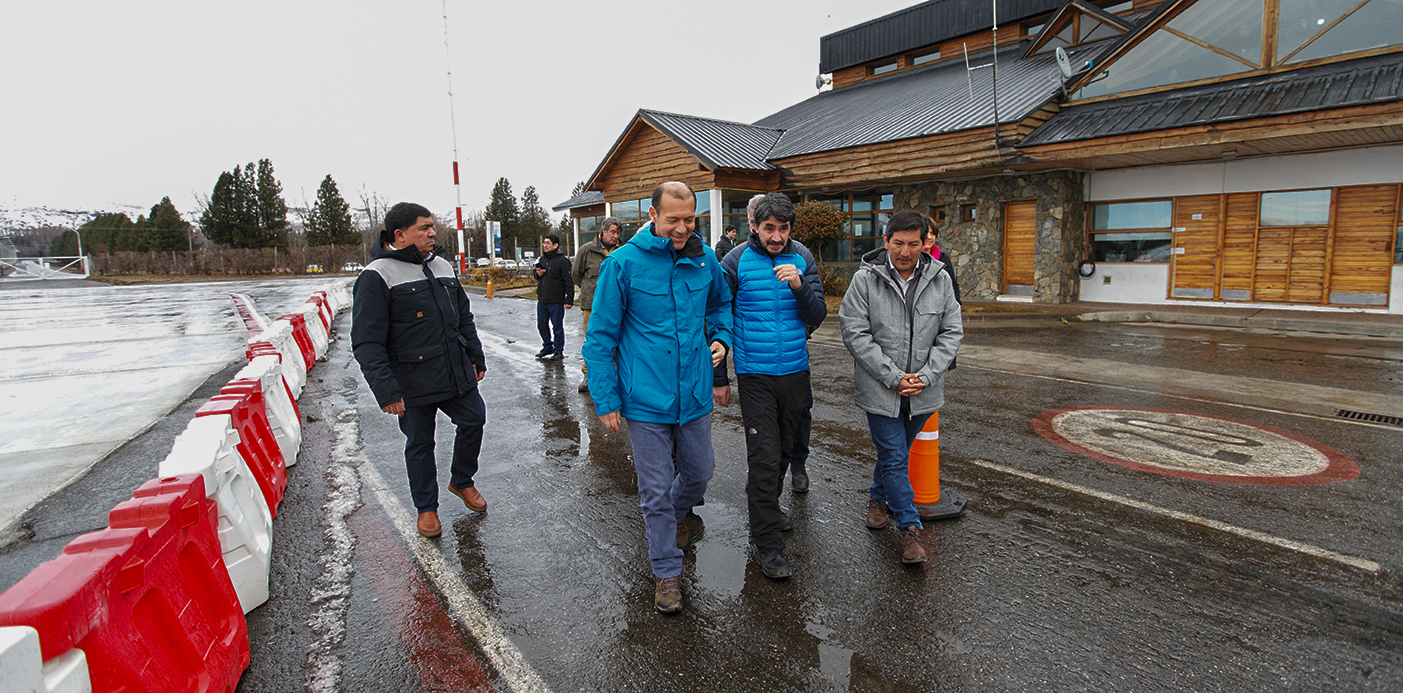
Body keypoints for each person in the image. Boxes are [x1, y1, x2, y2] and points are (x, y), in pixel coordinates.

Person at [583, 181, 733, 614]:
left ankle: (676, 513)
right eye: (673, 220)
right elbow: (600, 338)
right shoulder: (623, 265)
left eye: (690, 219)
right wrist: (606, 399)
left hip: (694, 394)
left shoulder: (705, 259)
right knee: (653, 489)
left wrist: (721, 337)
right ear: (652, 215)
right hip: (645, 398)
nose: (682, 228)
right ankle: (667, 571)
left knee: (701, 472)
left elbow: (720, 307)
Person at [351, 202, 489, 539]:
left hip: (455, 371)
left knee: (474, 419)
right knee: (420, 444)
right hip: (411, 381)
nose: (432, 233)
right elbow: (366, 341)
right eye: (423, 228)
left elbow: (463, 318)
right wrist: (386, 390)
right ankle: (426, 508)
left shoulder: (442, 265)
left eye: (432, 227)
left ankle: (462, 480)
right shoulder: (376, 275)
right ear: (399, 235)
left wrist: (476, 356)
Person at [839, 210, 962, 564]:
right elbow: (855, 334)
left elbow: (951, 332)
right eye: (898, 243)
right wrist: (894, 376)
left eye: (913, 243)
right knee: (894, 457)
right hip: (880, 390)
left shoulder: (940, 280)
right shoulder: (864, 281)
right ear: (885, 242)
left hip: (924, 390)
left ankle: (878, 498)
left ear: (925, 243)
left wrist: (925, 376)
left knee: (897, 454)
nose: (905, 251)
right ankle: (910, 530)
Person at [713, 193, 826, 579]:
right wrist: (720, 377)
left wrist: (799, 287)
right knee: (763, 457)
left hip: (795, 371)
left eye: (783, 229)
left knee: (783, 453)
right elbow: (718, 317)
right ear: (755, 227)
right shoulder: (735, 260)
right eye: (769, 228)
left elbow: (818, 315)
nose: (776, 236)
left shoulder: (803, 258)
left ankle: (769, 509)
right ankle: (769, 546)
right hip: (755, 373)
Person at [571, 217, 621, 392]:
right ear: (603, 231)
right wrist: (590, 291)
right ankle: (588, 376)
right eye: (612, 232)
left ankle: (613, 377)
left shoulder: (621, 251)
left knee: (615, 341)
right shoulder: (586, 250)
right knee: (592, 341)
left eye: (618, 232)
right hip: (591, 306)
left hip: (615, 307)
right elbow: (576, 275)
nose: (615, 236)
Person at [533, 233, 574, 361]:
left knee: (557, 326)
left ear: (555, 245)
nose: (545, 246)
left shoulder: (562, 261)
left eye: (548, 243)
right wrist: (537, 274)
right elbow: (536, 275)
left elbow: (568, 281)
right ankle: (547, 346)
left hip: (556, 300)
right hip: (542, 299)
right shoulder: (542, 259)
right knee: (541, 325)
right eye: (544, 243)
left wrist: (569, 299)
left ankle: (558, 350)